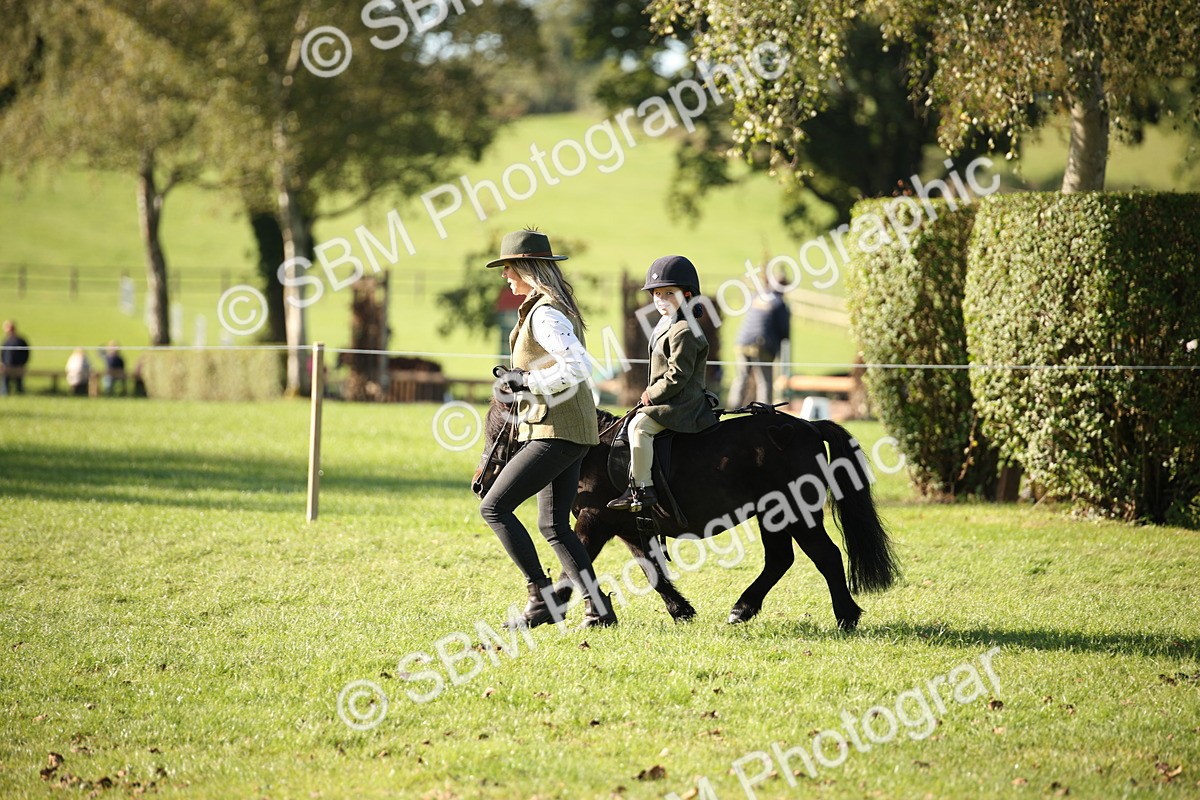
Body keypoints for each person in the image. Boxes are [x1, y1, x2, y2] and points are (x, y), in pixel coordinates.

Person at [480, 228, 617, 629]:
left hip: (556, 431)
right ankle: (599, 609)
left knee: (494, 507)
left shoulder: (544, 314)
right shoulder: (543, 310)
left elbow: (576, 367)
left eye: (508, 268)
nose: (505, 275)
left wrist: (526, 382)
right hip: (565, 429)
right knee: (552, 525)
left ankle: (540, 597)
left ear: (525, 268)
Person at [608, 255, 719, 512]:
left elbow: (677, 375)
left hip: (683, 402)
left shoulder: (684, 329)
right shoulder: (665, 322)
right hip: (670, 398)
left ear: (688, 294)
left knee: (639, 428)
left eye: (669, 293)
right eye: (657, 294)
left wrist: (651, 394)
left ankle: (642, 489)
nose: (660, 299)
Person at [727, 272, 791, 408]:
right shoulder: (779, 304)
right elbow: (784, 329)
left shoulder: (756, 297)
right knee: (764, 381)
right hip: (762, 344)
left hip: (742, 342)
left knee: (741, 378)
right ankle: (763, 411)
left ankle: (733, 407)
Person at [1, 320, 30, 395]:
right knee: (5, 382)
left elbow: (26, 353)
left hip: (18, 366)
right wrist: (2, 364)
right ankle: (5, 393)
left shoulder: (20, 341)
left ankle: (20, 394)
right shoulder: (6, 341)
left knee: (19, 383)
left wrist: (22, 364)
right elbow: (3, 353)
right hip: (7, 366)